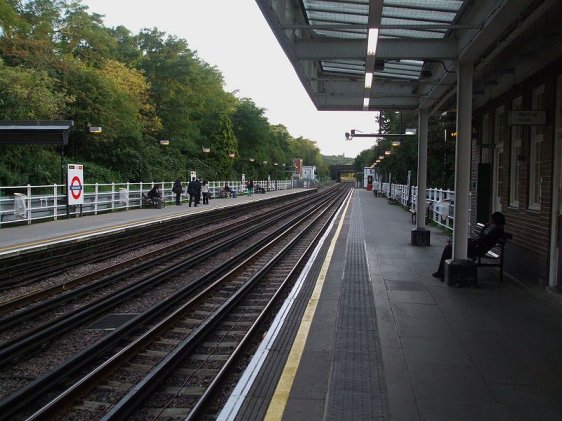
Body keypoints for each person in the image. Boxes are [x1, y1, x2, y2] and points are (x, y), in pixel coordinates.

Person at [433, 211, 506, 279]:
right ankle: (441, 272)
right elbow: (482, 238)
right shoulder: (493, 228)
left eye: (491, 219)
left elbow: (483, 239)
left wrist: (472, 241)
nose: (489, 220)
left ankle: (442, 273)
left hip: (477, 249)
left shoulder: (494, 229)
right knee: (449, 247)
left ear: (495, 220)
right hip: (477, 246)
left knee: (449, 248)